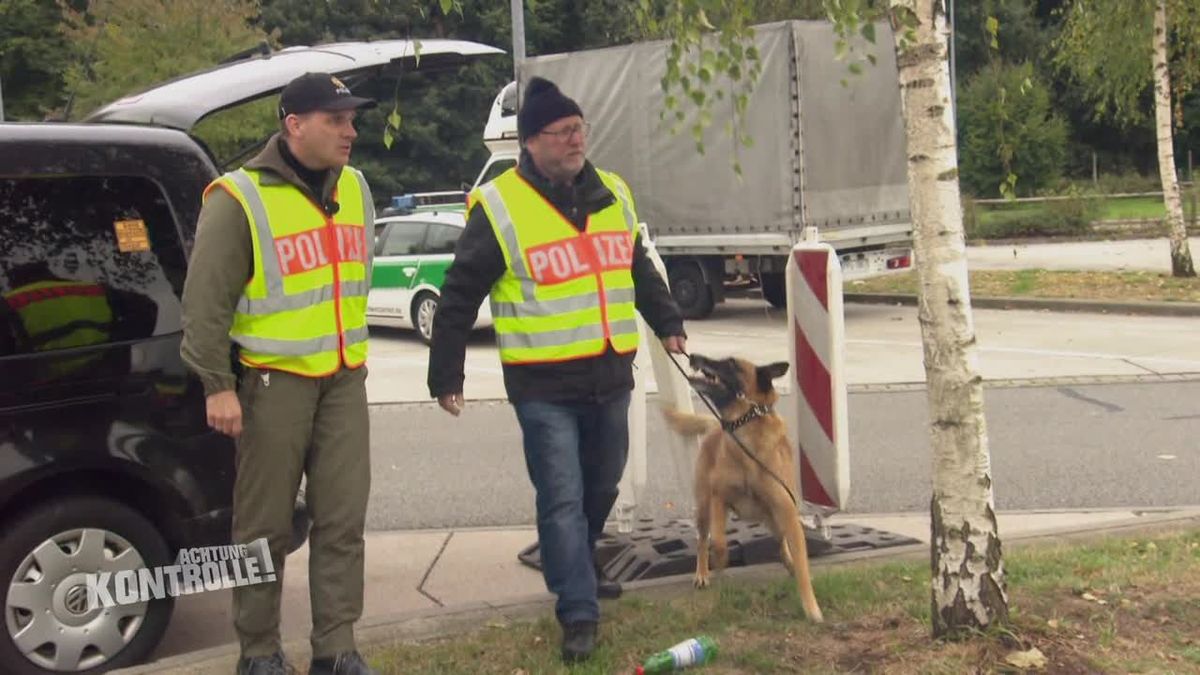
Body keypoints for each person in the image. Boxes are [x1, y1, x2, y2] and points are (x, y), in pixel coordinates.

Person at [428, 77, 687, 663]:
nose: (577, 140)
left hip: (610, 373)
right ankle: (577, 609)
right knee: (563, 496)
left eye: (580, 129)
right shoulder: (500, 206)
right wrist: (447, 373)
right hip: (543, 383)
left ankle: (577, 567)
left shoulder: (612, 191)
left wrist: (667, 320)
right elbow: (460, 292)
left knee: (602, 484)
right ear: (531, 143)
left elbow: (636, 265)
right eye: (564, 132)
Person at [180, 72, 378, 675]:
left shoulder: (357, 188)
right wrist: (217, 385)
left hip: (344, 379)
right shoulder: (239, 197)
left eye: (352, 119)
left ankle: (336, 647)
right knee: (262, 529)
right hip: (272, 383)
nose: (350, 130)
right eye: (335, 119)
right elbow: (205, 302)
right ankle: (259, 651)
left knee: (343, 520)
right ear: (295, 125)